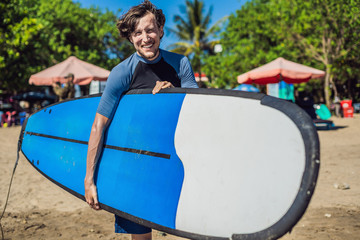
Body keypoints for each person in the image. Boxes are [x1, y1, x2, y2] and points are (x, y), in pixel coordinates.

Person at [84, 1, 198, 240]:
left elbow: (196, 110)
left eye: (150, 30)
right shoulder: (122, 72)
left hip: (175, 161)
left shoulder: (181, 64)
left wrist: (172, 95)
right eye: (138, 33)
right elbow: (99, 125)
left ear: (161, 30)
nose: (145, 38)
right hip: (134, 163)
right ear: (130, 38)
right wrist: (89, 179)